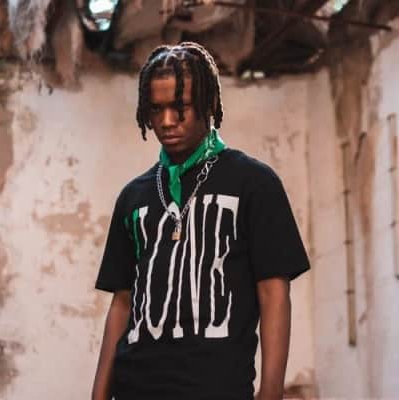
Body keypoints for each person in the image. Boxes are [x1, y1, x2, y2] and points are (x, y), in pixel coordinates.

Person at [92, 41, 310, 400]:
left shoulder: (254, 183)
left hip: (217, 388)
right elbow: (123, 302)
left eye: (180, 108)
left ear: (208, 104)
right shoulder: (133, 196)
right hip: (134, 389)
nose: (166, 121)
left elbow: (273, 291)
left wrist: (271, 391)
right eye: (156, 109)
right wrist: (99, 395)